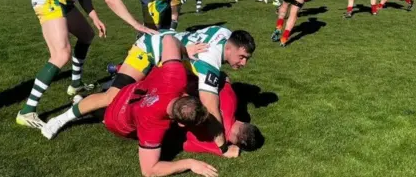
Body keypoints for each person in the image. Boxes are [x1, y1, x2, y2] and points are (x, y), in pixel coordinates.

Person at [16, 0, 156, 129]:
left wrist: (94, 17)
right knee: (61, 54)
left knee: (86, 35)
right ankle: (27, 111)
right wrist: (135, 24)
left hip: (62, 0)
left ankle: (75, 85)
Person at [41, 33, 206, 139]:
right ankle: (60, 119)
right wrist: (184, 49)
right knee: (111, 96)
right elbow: (169, 39)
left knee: (133, 101)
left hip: (163, 60)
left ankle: (85, 102)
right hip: (147, 51)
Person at [104, 36, 217, 177]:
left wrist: (185, 50)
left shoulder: (175, 77)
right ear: (181, 124)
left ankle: (115, 73)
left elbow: (169, 39)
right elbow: (149, 171)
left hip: (127, 91)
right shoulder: (153, 126)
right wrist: (190, 163)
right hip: (115, 120)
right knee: (174, 139)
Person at [175, 26, 256, 157]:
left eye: (247, 58)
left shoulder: (226, 33)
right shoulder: (210, 63)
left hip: (170, 39)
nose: (244, 63)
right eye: (241, 57)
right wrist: (222, 149)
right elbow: (211, 108)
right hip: (154, 52)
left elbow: (225, 79)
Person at [182, 77, 264, 156]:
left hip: (186, 83)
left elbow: (225, 78)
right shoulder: (216, 142)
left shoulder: (231, 101)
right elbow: (186, 145)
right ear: (238, 144)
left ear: (243, 123)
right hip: (178, 115)